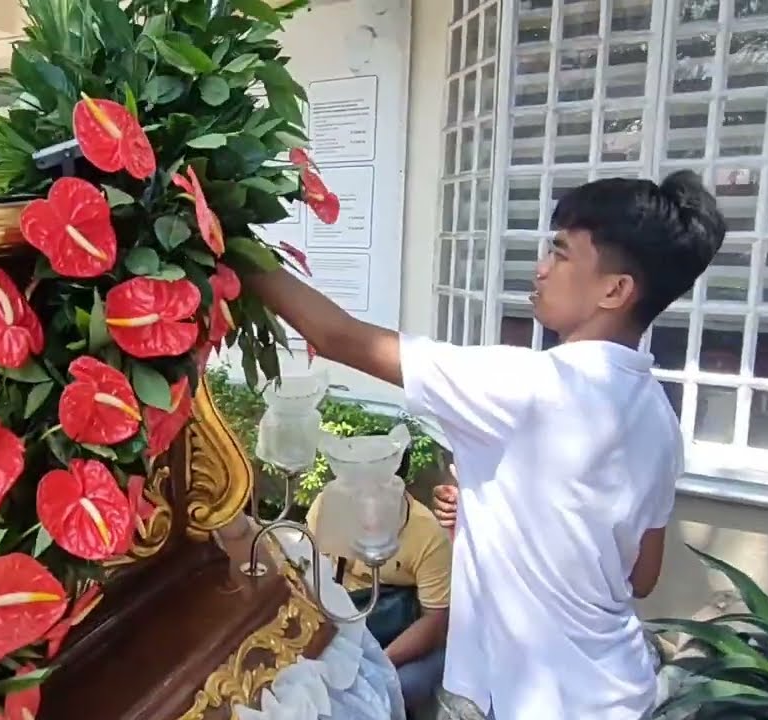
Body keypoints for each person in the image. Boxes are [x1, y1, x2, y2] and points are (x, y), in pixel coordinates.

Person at [246, 171, 725, 720]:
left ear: (615, 290)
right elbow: (639, 576)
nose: (541, 268)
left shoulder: (530, 387)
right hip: (618, 691)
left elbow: (339, 337)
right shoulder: (659, 418)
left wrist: (227, 240)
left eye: (562, 254)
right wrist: (493, 520)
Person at [306, 481, 452, 712]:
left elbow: (435, 622)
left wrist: (380, 663)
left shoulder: (428, 534)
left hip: (403, 636)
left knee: (396, 689)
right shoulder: (328, 507)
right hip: (343, 624)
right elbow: (306, 577)